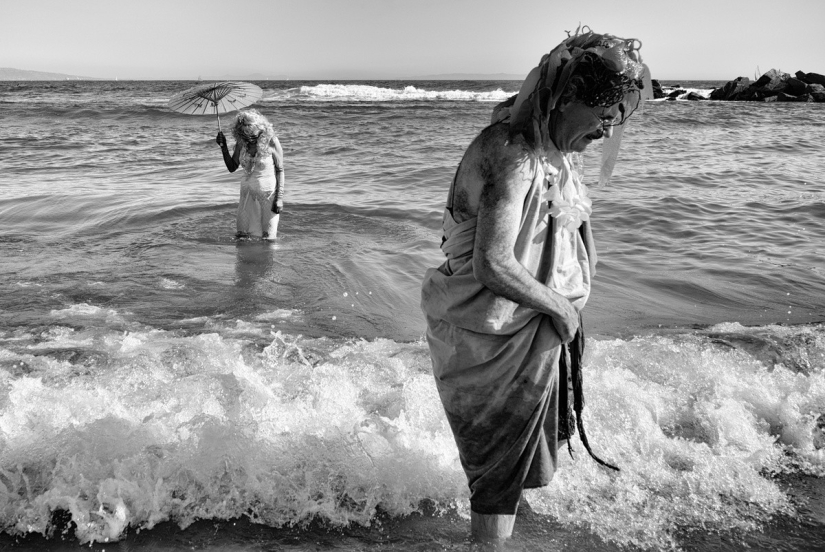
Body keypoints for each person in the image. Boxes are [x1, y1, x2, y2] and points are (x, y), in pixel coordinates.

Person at [420, 27, 651, 542]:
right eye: (601, 117)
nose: (607, 131)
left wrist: (571, 294)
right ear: (566, 99)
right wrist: (562, 308)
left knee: (513, 470)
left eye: (615, 118)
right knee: (496, 481)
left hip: (533, 329)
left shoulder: (555, 151)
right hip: (489, 336)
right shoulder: (514, 154)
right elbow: (493, 264)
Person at [216, 109, 285, 240]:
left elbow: (280, 170)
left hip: (268, 197)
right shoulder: (241, 143)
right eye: (245, 135)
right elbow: (232, 167)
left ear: (261, 129)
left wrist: (279, 198)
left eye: (253, 136)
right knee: (242, 237)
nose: (250, 139)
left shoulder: (272, 141)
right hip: (246, 196)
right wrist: (223, 147)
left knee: (268, 239)